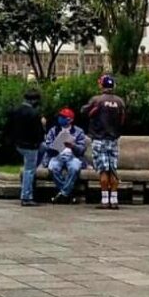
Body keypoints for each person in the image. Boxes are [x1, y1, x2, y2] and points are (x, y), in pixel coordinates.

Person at [82, 74, 126, 210]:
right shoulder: (120, 102)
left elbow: (85, 111)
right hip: (113, 140)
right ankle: (114, 200)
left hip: (99, 139)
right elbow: (123, 120)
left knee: (103, 171)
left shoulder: (97, 100)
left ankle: (105, 200)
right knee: (113, 170)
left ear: (102, 85)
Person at [7, 87, 45, 206]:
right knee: (29, 171)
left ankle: (28, 193)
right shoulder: (34, 114)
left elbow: (9, 127)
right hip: (30, 146)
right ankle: (26, 196)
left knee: (29, 167)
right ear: (34, 101)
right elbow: (38, 132)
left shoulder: (16, 111)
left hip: (19, 143)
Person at [43, 108, 87, 203]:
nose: (60, 118)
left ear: (70, 120)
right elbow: (47, 146)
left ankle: (63, 194)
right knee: (53, 168)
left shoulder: (79, 131)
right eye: (60, 116)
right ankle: (68, 194)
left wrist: (73, 146)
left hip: (72, 156)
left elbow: (82, 149)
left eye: (63, 117)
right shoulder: (53, 130)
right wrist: (56, 146)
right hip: (57, 155)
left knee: (74, 168)